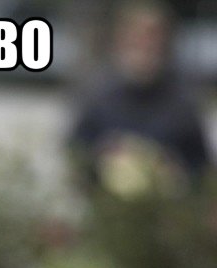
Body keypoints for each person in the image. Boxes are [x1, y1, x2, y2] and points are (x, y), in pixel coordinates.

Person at [69, 2, 211, 192]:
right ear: (122, 41)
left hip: (166, 210)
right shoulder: (99, 96)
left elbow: (200, 166)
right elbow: (75, 153)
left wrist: (173, 170)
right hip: (107, 208)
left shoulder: (182, 102)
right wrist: (102, 157)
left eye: (152, 39)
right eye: (138, 39)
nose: (145, 48)